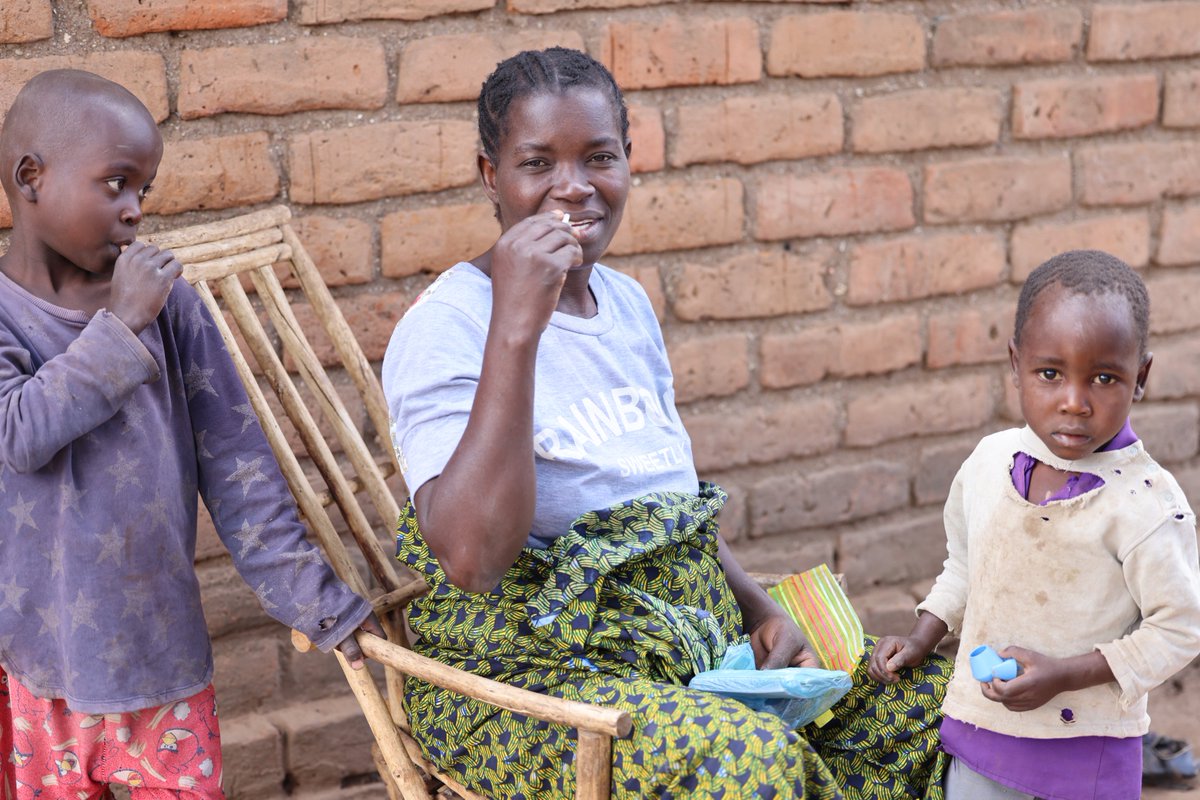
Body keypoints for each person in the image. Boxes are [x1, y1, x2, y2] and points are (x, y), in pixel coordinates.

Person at [383, 47, 951, 800]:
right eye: (537, 164)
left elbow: (663, 504)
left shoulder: (626, 307)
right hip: (540, 687)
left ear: (628, 163)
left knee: (942, 698)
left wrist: (761, 605)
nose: (574, 188)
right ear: (492, 176)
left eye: (599, 157)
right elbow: (471, 558)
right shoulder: (447, 327)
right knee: (747, 761)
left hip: (690, 657)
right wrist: (517, 328)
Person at [0, 70, 379, 798]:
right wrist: (121, 325)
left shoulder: (174, 311)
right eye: (116, 184)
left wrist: (320, 605)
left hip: (160, 669)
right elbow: (21, 432)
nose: (136, 211)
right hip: (39, 677)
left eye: (144, 189)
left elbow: (240, 471)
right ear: (31, 178)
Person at [869, 250, 1200, 800]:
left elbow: (1180, 627)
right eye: (1050, 374)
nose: (1075, 402)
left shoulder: (1145, 505)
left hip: (1085, 754)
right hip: (980, 734)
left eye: (1104, 378)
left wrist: (1066, 673)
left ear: (1140, 378)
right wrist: (923, 637)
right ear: (1015, 364)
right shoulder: (988, 463)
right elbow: (965, 567)